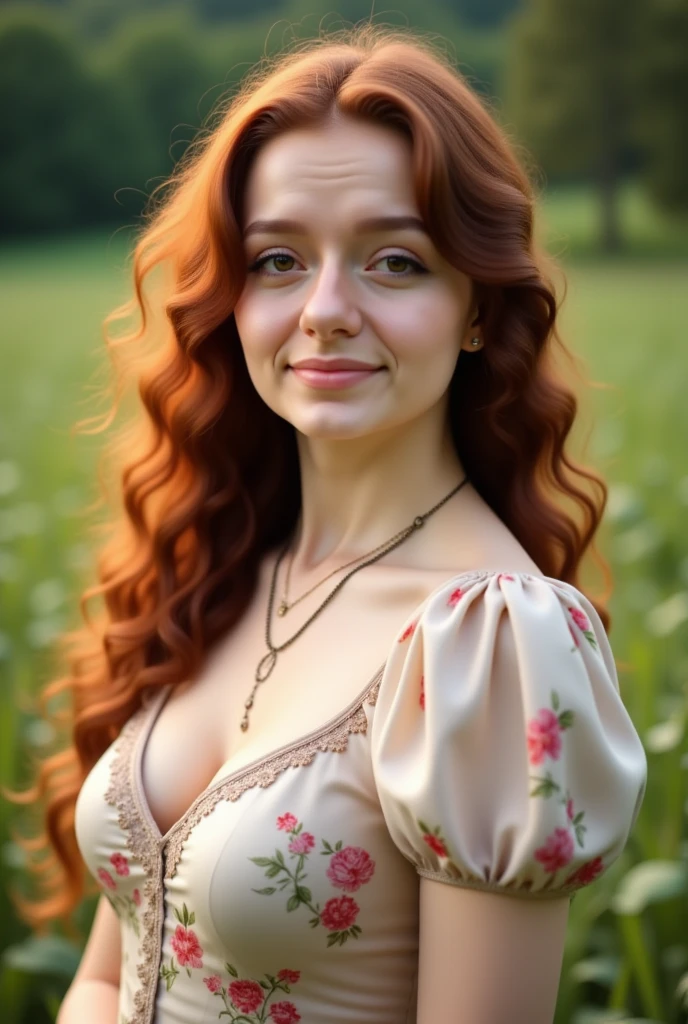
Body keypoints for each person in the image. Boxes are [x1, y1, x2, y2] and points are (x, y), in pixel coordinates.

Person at [24, 25, 646, 1024]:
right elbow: (106, 973)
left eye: (393, 261)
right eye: (276, 259)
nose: (323, 309)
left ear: (476, 305)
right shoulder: (224, 566)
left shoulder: (492, 644)